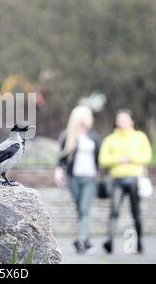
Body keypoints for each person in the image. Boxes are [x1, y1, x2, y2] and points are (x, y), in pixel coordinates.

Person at [99, 109, 152, 254]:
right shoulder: (109, 139)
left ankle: (139, 242)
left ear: (132, 121)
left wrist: (130, 158)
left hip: (134, 179)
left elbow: (146, 156)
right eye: (119, 119)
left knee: (136, 213)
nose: (121, 122)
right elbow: (103, 160)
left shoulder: (139, 137)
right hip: (117, 180)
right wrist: (118, 159)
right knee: (114, 211)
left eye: (124, 119)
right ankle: (109, 242)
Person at [54, 105, 100, 254]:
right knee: (80, 209)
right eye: (89, 116)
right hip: (73, 179)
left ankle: (81, 240)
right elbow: (61, 158)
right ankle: (86, 241)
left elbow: (99, 157)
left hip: (90, 179)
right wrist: (58, 171)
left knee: (84, 209)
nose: (92, 119)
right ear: (81, 118)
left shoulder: (93, 136)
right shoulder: (67, 135)